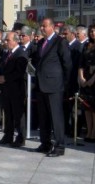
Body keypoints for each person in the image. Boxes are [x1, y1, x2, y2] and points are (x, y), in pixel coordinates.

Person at [34, 18, 71, 157]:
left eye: (44, 26)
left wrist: (64, 83)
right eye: (41, 26)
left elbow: (67, 64)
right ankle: (45, 143)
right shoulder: (41, 42)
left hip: (55, 85)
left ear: (52, 27)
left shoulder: (60, 42)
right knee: (43, 118)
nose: (42, 29)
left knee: (56, 118)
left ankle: (60, 146)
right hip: (41, 85)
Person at [0, 32, 28, 147]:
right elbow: (1, 67)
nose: (5, 42)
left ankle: (20, 138)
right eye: (5, 40)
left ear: (15, 41)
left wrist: (5, 78)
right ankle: (8, 136)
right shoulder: (7, 53)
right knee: (8, 114)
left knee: (18, 114)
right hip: (6, 89)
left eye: (8, 40)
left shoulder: (21, 54)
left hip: (16, 89)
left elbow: (19, 73)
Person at [78, 24, 95, 142]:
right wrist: (81, 78)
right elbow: (81, 63)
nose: (93, 33)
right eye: (91, 31)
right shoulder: (87, 45)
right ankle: (89, 131)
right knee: (86, 107)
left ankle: (94, 132)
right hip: (85, 78)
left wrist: (92, 79)